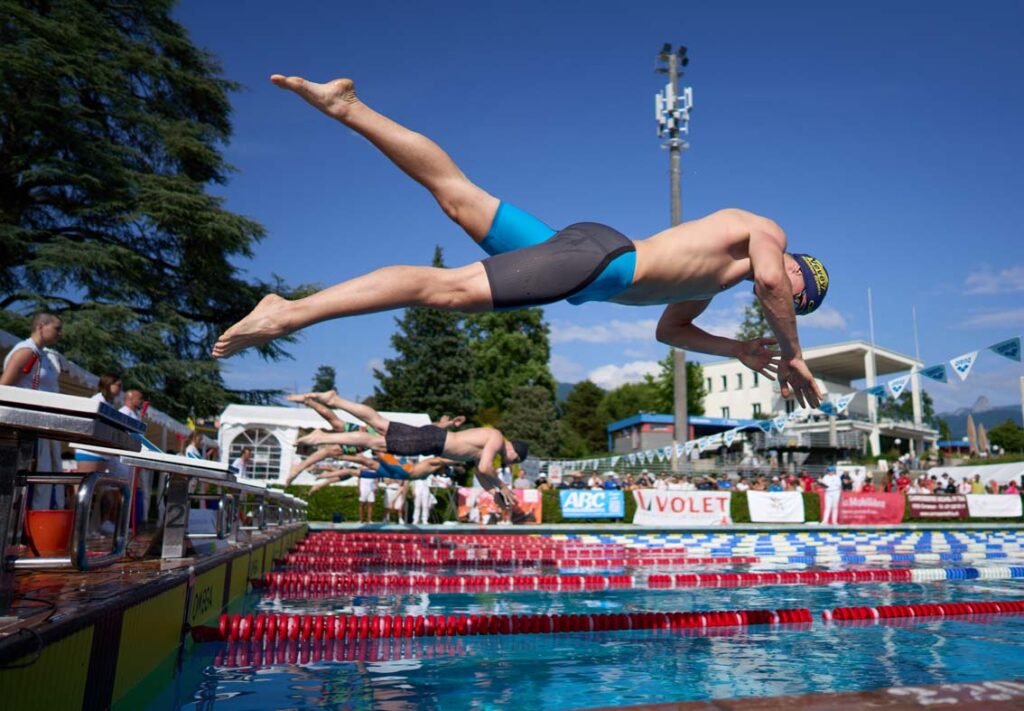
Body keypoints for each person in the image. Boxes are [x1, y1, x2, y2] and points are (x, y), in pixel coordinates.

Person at [212, 74, 827, 409]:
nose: (788, 301)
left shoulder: (711, 282)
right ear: (797, 267)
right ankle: (289, 313)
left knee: (458, 195)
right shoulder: (767, 233)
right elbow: (772, 281)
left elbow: (670, 332)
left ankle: (348, 106)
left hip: (588, 253)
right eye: (800, 295)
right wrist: (791, 354)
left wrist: (734, 350)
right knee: (445, 290)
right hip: (599, 263)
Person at [289, 391, 528, 481]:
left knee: (379, 424)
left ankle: (336, 400)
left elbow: (481, 473)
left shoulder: (487, 446)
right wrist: (502, 486)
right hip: (433, 441)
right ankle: (322, 437)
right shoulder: (496, 438)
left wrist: (496, 492)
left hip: (434, 438)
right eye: (514, 460)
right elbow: (485, 468)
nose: (510, 463)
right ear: (514, 451)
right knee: (375, 440)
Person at [1, 313, 65, 509]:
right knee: (20, 479)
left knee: (39, 479)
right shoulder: (26, 351)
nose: (60, 334)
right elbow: (3, 387)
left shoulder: (46, 356)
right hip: (23, 427)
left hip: (42, 428)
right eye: (56, 328)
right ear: (40, 326)